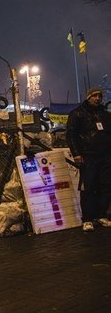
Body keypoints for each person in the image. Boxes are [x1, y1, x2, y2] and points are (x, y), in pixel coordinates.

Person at [66, 87, 111, 232]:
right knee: (88, 187)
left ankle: (101, 215)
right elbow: (71, 135)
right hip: (88, 155)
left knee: (106, 186)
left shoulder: (105, 114)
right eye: (95, 96)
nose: (97, 98)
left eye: (100, 96)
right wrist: (76, 153)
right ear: (88, 97)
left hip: (105, 155)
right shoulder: (77, 113)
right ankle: (87, 219)